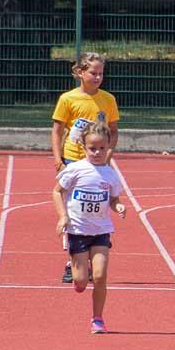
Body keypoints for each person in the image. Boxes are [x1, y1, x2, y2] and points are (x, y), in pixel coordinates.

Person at [51, 52, 120, 284]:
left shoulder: (108, 99)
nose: (98, 77)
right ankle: (72, 261)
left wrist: (108, 155)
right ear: (80, 72)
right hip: (73, 160)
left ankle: (94, 254)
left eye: (101, 73)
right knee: (73, 210)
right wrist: (57, 159)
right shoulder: (68, 99)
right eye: (93, 72)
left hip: (98, 163)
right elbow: (58, 130)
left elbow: (114, 129)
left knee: (96, 205)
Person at [52, 122, 126, 334]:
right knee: (81, 281)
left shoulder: (110, 174)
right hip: (77, 230)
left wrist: (118, 205)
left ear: (109, 146)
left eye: (102, 148)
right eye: (92, 148)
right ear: (83, 147)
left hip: (101, 231)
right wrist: (63, 216)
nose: (97, 152)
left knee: (101, 276)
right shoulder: (75, 169)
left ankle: (97, 318)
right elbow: (57, 192)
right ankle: (79, 278)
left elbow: (114, 199)